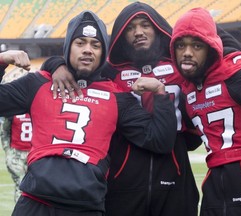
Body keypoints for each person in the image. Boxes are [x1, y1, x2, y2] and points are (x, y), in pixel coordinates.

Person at [0, 10, 177, 216]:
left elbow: (160, 140)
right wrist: (2, 60)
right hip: (36, 203)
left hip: (85, 207)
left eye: (96, 45)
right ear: (68, 48)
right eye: (80, 43)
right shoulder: (39, 83)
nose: (87, 50)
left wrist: (160, 93)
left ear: (103, 53)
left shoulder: (116, 96)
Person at [42, 2, 202, 215]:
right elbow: (75, 63)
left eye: (145, 25)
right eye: (129, 28)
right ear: (119, 35)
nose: (138, 32)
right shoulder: (109, 71)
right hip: (123, 180)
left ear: (157, 27)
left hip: (175, 175)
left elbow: (213, 51)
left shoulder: (180, 66)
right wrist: (56, 65)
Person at [170, 7, 241, 216]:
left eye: (196, 45)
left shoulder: (240, 74)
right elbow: (190, 139)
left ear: (211, 48)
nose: (187, 52)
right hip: (216, 186)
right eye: (180, 45)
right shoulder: (187, 87)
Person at [0, 68, 32, 203]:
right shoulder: (12, 110)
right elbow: (5, 131)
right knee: (21, 188)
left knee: (35, 189)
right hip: (18, 153)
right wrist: (8, 150)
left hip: (34, 153)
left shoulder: (36, 105)